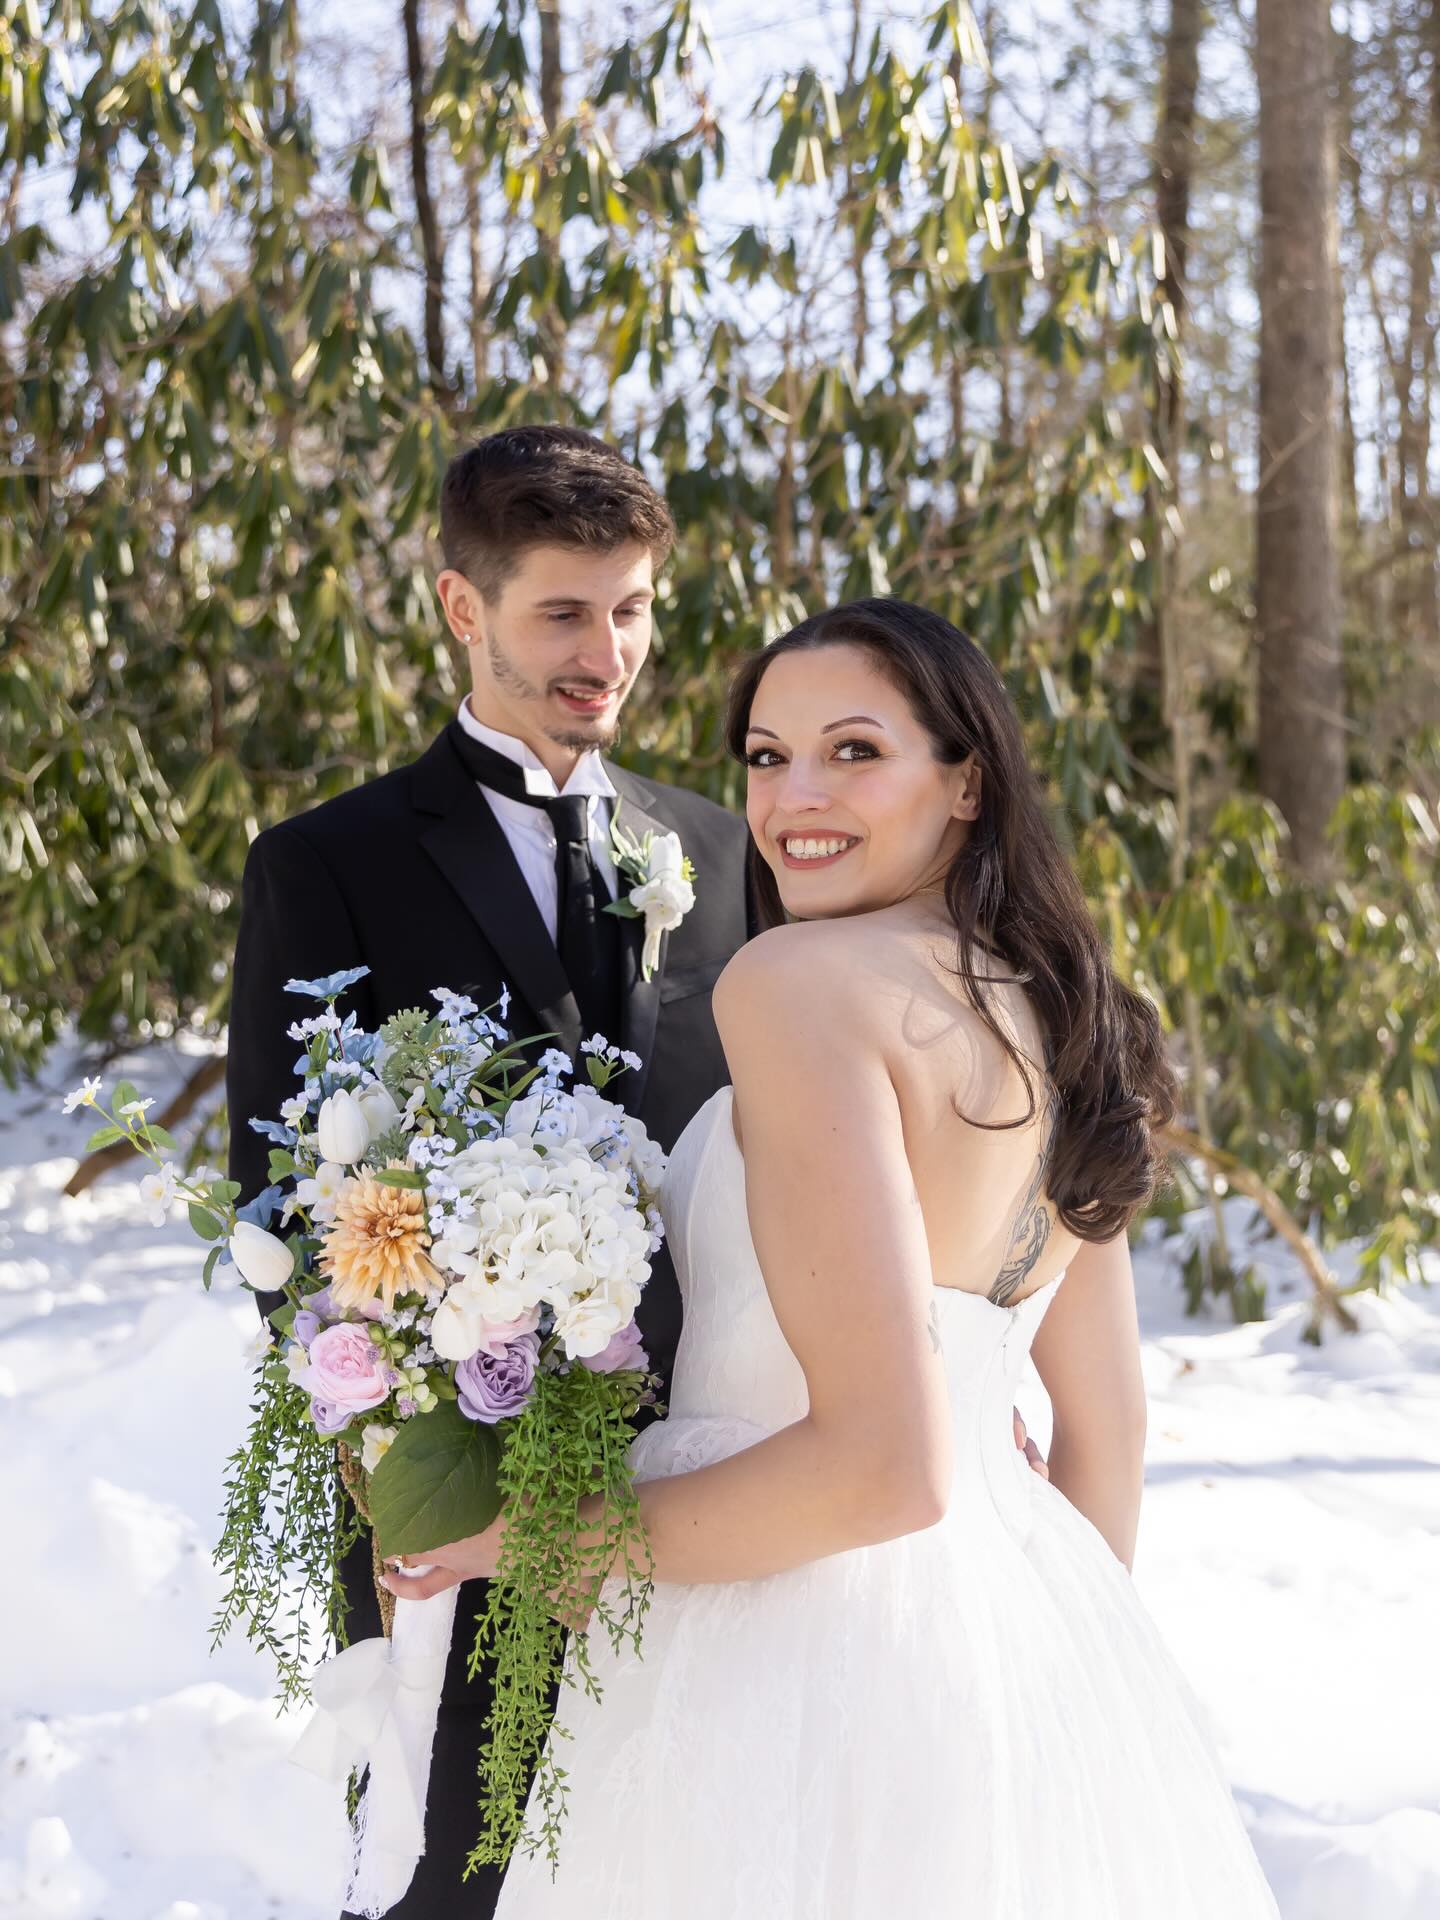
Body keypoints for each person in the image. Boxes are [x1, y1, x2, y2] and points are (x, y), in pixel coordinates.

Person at [388, 599, 1281, 1918]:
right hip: (1015, 1650)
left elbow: (882, 1469)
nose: (794, 796)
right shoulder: (1067, 1007)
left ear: (967, 779)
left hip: (777, 1657)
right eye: (764, 756)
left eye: (854, 752)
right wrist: (1057, 1712)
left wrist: (530, 1541)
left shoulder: (799, 984)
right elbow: (1104, 1433)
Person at [225, 426, 757, 1918]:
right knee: (439, 1882)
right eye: (566, 613)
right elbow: (283, 1200)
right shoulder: (325, 863)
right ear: (464, 608)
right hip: (453, 1476)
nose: (613, 653)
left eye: (636, 608)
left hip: (708, 1489)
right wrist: (388, 1456)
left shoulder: (726, 850)